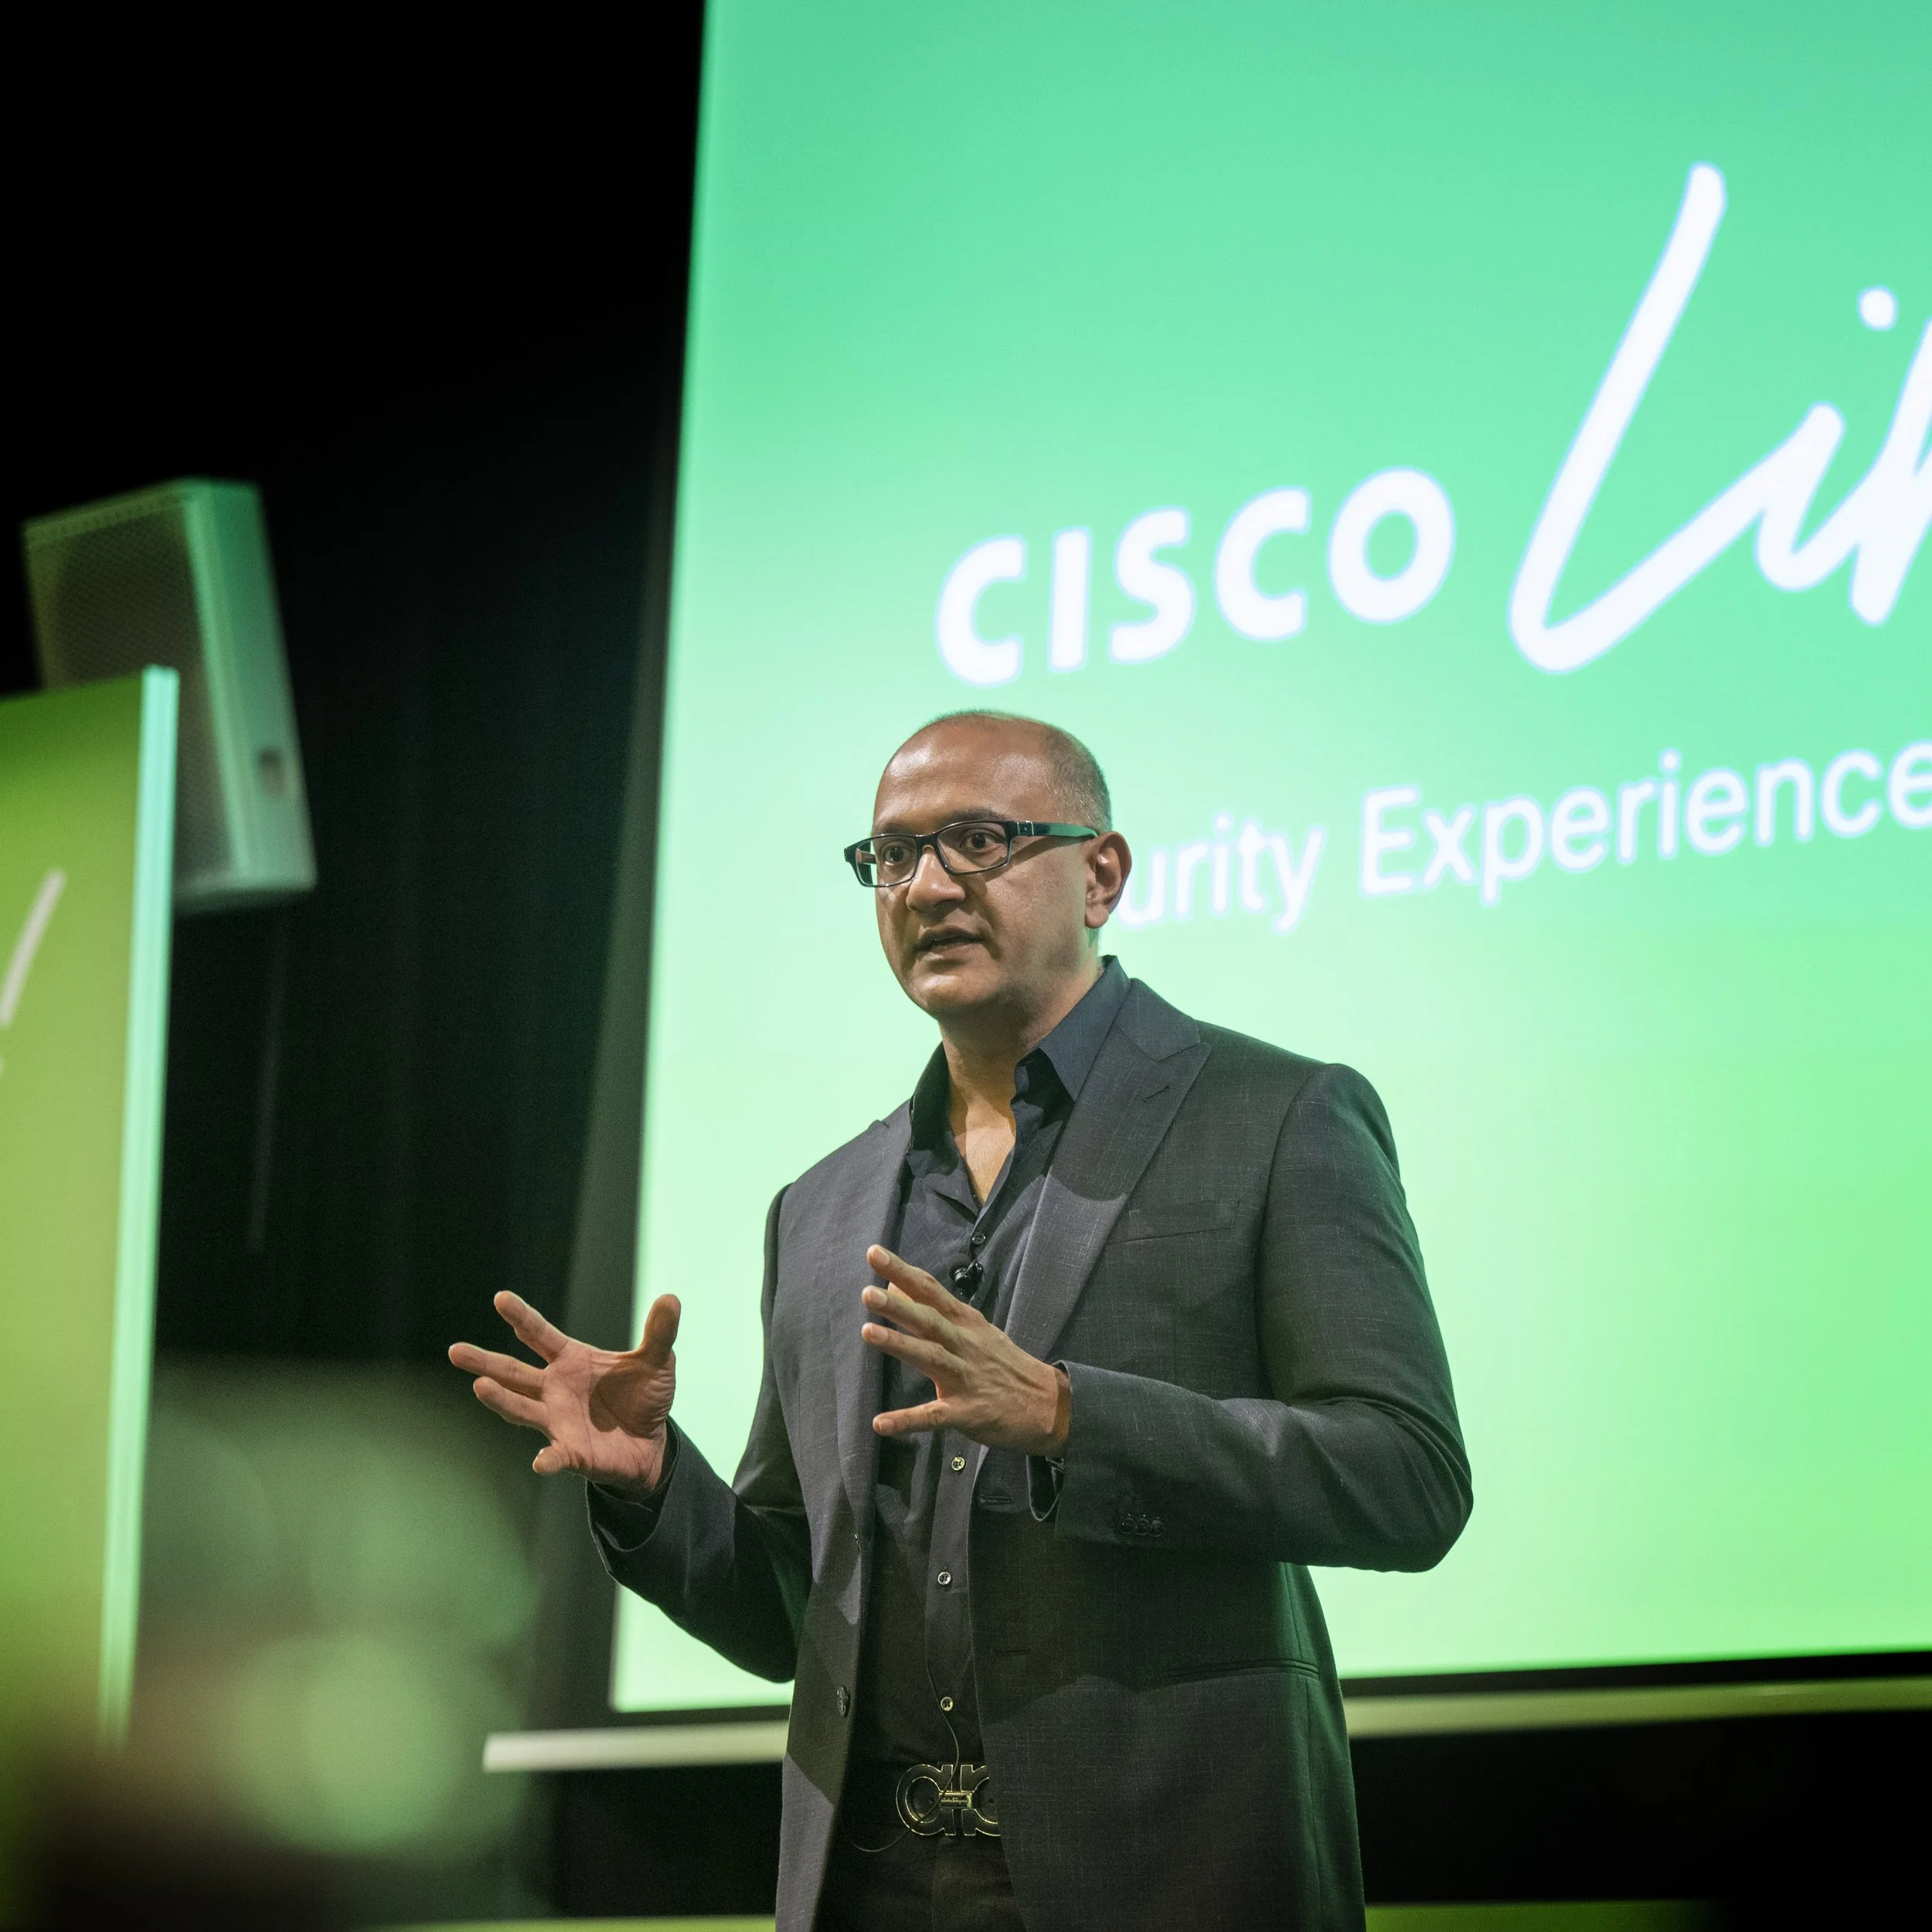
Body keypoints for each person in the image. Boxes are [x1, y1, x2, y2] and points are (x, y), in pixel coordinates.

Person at [451, 709, 1471, 1932]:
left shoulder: (1278, 1116)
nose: (928, 885)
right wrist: (655, 1485)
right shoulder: (822, 1210)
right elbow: (793, 1616)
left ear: (1104, 873)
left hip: (1169, 1872)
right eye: (892, 856)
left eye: (977, 840)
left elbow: (1407, 1479)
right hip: (871, 1887)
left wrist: (1072, 1417)